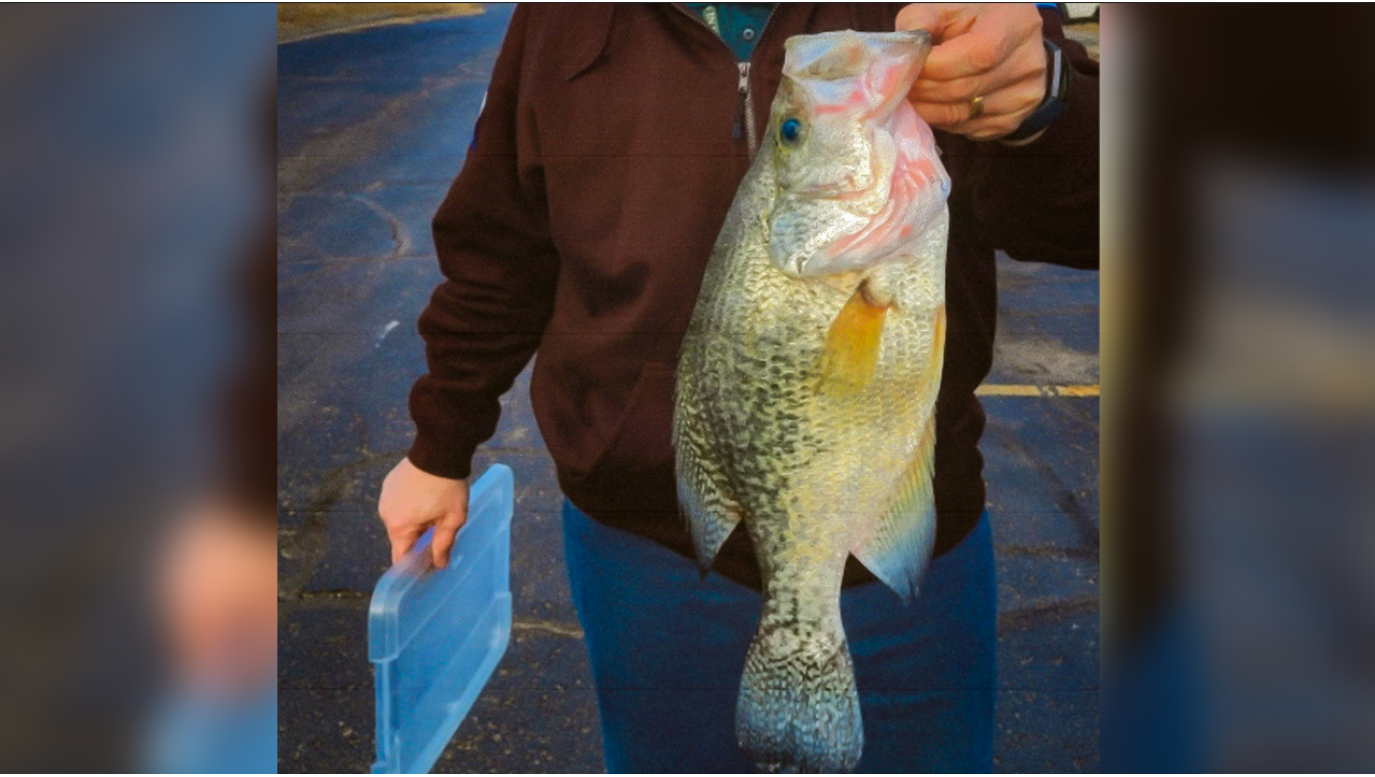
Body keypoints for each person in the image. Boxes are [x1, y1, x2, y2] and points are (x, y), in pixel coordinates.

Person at [378, 3, 1098, 772]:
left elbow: (1090, 220)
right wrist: (438, 444)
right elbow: (498, 248)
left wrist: (1043, 104)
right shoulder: (558, 17)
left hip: (903, 537)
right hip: (642, 546)